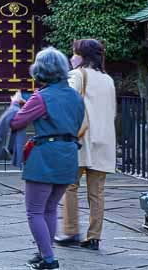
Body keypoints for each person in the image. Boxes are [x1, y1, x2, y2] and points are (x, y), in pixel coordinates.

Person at [11, 48, 85, 270]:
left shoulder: (41, 96)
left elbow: (17, 122)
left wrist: (15, 103)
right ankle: (45, 251)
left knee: (34, 210)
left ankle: (49, 258)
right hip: (69, 153)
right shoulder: (75, 95)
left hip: (45, 156)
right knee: (51, 208)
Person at [56, 39, 116, 252]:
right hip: (104, 139)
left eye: (74, 53)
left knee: (70, 186)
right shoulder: (107, 79)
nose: (71, 57)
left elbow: (68, 104)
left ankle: (70, 230)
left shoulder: (77, 75)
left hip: (81, 140)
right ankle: (94, 237)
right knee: (97, 192)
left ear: (82, 56)